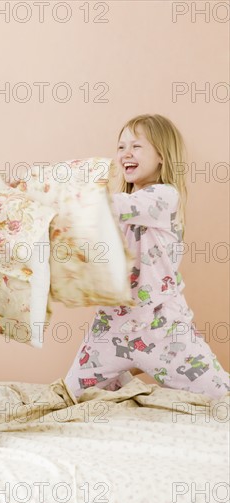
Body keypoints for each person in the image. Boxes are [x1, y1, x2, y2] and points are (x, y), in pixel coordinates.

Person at [65, 114, 230, 399]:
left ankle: (128, 375)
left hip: (162, 328)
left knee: (220, 396)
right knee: (68, 396)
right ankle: (121, 379)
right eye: (121, 147)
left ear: (162, 156)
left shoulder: (165, 197)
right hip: (112, 328)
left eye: (136, 146)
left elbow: (113, 206)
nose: (125, 153)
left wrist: (64, 194)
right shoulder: (115, 209)